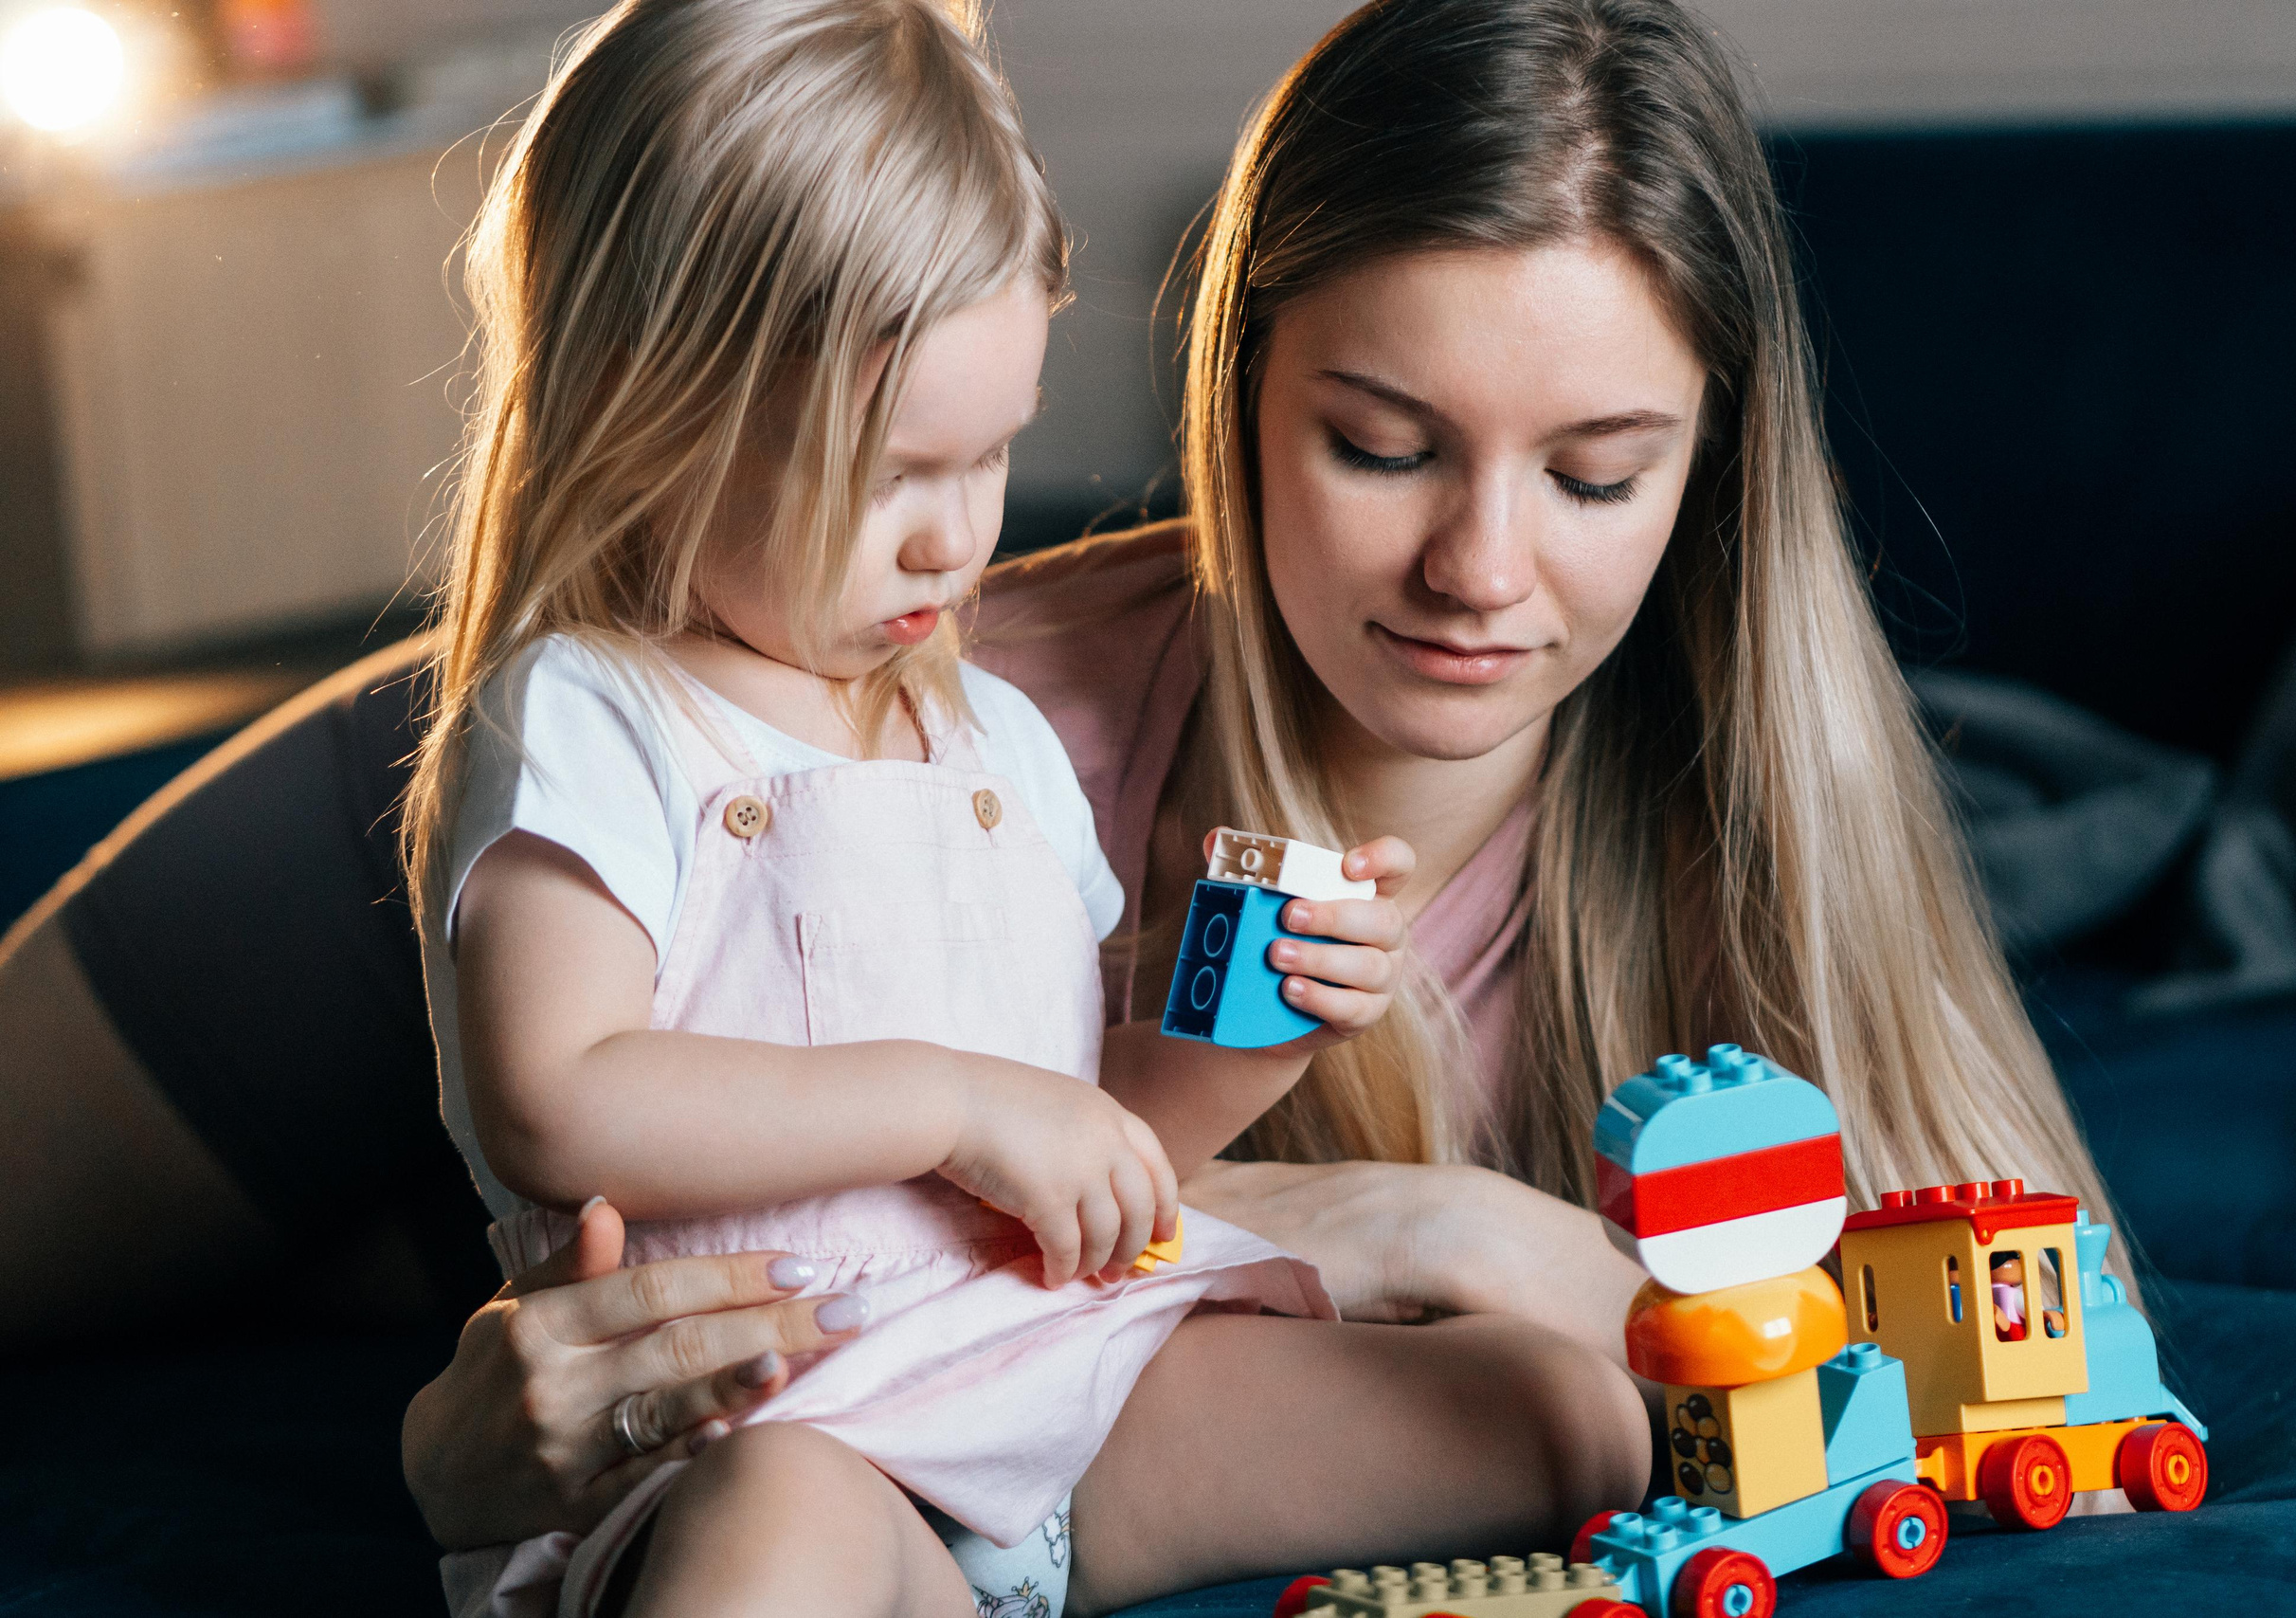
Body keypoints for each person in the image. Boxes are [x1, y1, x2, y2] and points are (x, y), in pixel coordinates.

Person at [0, 0, 2118, 1611]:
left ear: (1708, 469)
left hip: (880, 1315)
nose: (1481, 569)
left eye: (1593, 473)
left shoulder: (1744, 797)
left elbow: (1963, 1350)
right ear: (1236, 390)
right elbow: (593, 1108)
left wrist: (1443, 1219)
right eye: (1380, 444)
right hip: (401, 894)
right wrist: (459, 1442)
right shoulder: (890, 664)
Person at [401, 3, 1433, 1615]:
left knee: (1553, 1409)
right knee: (778, 1515)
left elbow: (1072, 1142)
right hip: (769, 1438)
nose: (955, 541)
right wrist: (955, 1103)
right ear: (650, 413)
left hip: (1041, 1392)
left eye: (991, 455)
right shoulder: (595, 717)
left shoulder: (992, 741)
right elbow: (560, 1096)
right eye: (890, 473)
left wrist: (1258, 1036)